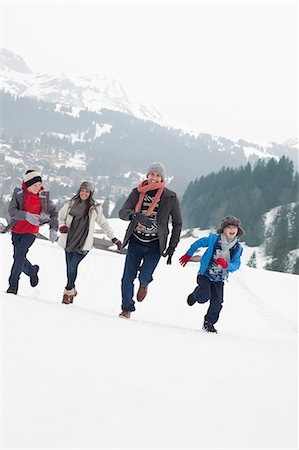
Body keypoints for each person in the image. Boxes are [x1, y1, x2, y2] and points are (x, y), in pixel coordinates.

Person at [118, 162, 182, 318]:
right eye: (152, 174)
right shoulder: (137, 193)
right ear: (147, 175)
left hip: (155, 244)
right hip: (136, 241)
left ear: (162, 178)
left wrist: (172, 247)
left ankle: (144, 283)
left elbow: (177, 222)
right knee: (127, 277)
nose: (154, 178)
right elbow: (123, 212)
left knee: (145, 275)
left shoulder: (170, 197)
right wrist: (136, 215)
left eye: (158, 175)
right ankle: (127, 308)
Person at [57, 181, 122, 304]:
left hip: (84, 242)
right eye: (82, 190)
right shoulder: (71, 204)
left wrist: (113, 238)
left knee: (72, 266)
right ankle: (72, 288)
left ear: (91, 193)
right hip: (69, 240)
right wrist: (62, 226)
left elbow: (104, 224)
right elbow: (61, 217)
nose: (84, 193)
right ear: (79, 191)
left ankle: (68, 291)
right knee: (69, 268)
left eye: (87, 191)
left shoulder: (95, 208)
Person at [179, 216, 244, 333]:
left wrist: (226, 265)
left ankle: (209, 323)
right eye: (229, 227)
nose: (232, 229)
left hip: (219, 279)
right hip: (205, 275)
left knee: (217, 302)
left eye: (235, 227)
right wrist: (189, 254)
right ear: (224, 229)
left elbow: (236, 264)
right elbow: (198, 243)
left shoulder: (237, 247)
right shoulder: (214, 239)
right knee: (204, 296)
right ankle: (195, 295)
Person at [5, 170, 58, 295]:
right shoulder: (18, 194)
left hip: (31, 231)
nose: (38, 187)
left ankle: (13, 286)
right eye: (35, 185)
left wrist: (53, 228)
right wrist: (26, 215)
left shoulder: (43, 197)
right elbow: (12, 211)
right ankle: (32, 271)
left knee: (18, 257)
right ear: (27, 185)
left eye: (39, 184)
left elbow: (54, 213)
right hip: (16, 229)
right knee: (18, 257)